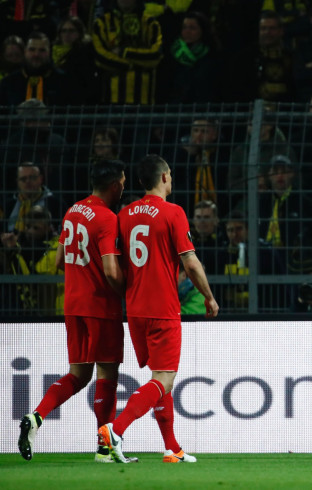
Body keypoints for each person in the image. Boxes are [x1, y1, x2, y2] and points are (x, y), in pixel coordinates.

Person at [98, 154, 219, 464]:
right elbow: (189, 262)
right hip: (163, 307)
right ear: (164, 178)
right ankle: (116, 431)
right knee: (163, 379)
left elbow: (116, 263)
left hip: (135, 308)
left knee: (161, 379)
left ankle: (172, 448)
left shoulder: (124, 214)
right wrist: (208, 296)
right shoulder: (173, 212)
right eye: (171, 175)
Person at [16, 160, 131, 462]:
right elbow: (109, 268)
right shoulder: (107, 218)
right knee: (107, 372)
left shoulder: (73, 211)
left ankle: (36, 416)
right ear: (116, 185)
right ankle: (105, 448)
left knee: (78, 374)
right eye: (123, 182)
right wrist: (126, 292)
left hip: (73, 304)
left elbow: (58, 261)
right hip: (100, 306)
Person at [92, 0, 163, 105]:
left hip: (144, 101)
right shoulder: (101, 23)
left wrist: (123, 52)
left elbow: (156, 55)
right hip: (110, 100)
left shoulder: (151, 23)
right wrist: (136, 64)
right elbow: (100, 58)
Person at [0, 31, 77, 106]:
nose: (36, 54)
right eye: (32, 50)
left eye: (42, 50)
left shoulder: (65, 82)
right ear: (25, 51)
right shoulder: (8, 83)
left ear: (49, 52)